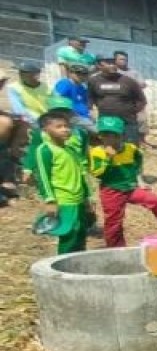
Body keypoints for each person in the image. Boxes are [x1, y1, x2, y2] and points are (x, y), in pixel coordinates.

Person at [88, 115, 157, 248]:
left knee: (155, 201)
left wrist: (140, 181)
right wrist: (108, 159)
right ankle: (116, 249)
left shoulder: (131, 149)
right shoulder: (97, 152)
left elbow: (138, 162)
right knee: (113, 222)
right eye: (106, 135)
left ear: (121, 135)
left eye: (114, 135)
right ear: (100, 136)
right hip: (111, 190)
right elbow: (97, 173)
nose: (110, 139)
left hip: (130, 188)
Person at [32, 105, 93, 254]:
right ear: (45, 129)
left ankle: (79, 264)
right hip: (64, 199)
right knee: (68, 235)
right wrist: (50, 200)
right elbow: (43, 177)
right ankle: (63, 265)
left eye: (67, 126)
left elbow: (79, 174)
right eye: (59, 127)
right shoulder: (45, 150)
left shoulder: (70, 149)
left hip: (78, 198)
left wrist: (86, 198)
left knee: (80, 233)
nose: (65, 129)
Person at [87, 54, 147, 144]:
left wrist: (131, 111)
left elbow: (141, 100)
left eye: (113, 63)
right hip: (106, 121)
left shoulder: (128, 81)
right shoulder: (94, 81)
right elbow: (90, 97)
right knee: (108, 146)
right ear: (99, 66)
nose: (112, 66)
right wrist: (96, 108)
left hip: (127, 121)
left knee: (130, 146)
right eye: (108, 64)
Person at [7, 60, 51, 125]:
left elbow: (53, 107)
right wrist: (40, 120)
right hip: (26, 123)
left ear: (37, 74)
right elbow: (19, 111)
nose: (20, 74)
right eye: (20, 71)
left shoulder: (47, 88)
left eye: (25, 72)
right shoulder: (13, 88)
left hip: (48, 121)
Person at [53, 61, 92, 130]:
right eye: (78, 73)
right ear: (71, 73)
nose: (81, 76)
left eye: (84, 74)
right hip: (72, 117)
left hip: (85, 118)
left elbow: (85, 104)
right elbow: (56, 101)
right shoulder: (65, 83)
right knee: (99, 132)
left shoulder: (82, 87)